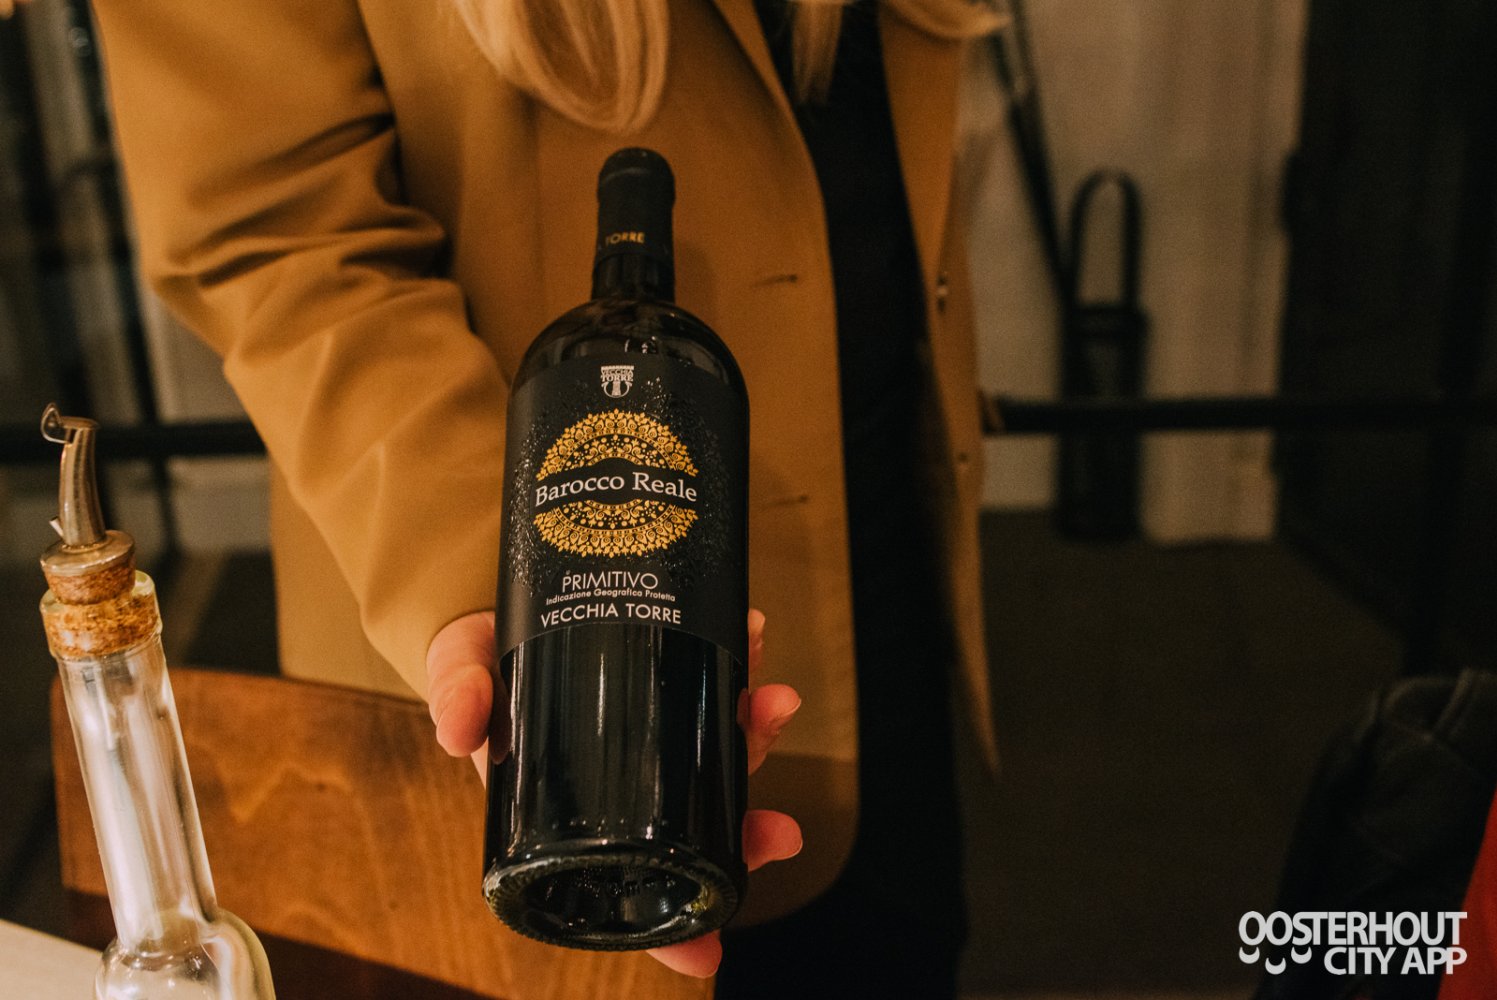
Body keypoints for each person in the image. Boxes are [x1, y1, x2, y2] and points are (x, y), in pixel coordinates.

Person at [87, 0, 1002, 993]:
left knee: (888, 946)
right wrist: (508, 586)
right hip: (519, 622)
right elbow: (276, 232)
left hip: (872, 541)